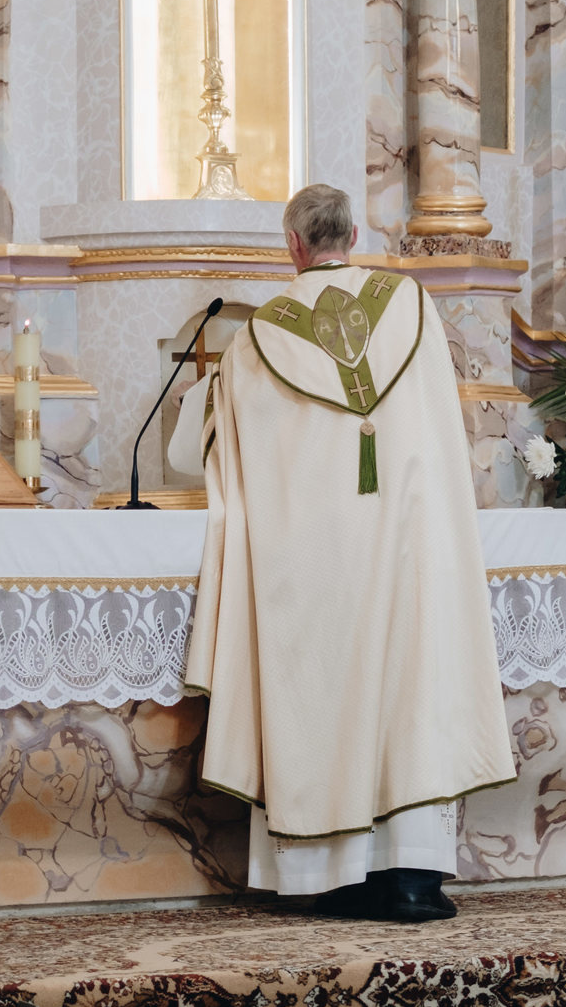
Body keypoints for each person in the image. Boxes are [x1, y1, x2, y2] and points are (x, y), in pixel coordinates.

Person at [172, 185, 515, 921]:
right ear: (353, 234)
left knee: (324, 693)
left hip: (315, 554)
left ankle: (330, 876)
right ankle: (414, 875)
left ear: (292, 246)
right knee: (408, 694)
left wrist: (200, 404)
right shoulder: (413, 307)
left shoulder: (259, 338)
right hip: (406, 541)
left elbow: (219, 440)